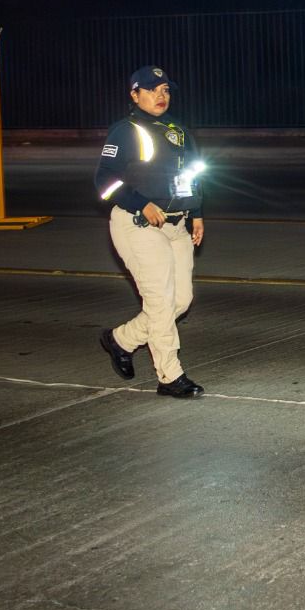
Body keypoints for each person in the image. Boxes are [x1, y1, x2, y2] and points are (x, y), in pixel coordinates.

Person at [93, 65, 207, 398]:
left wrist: (197, 212)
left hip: (177, 225)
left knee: (181, 301)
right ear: (134, 94)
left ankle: (121, 340)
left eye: (166, 90)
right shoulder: (124, 131)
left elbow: (191, 174)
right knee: (159, 304)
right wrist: (140, 203)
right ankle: (170, 376)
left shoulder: (178, 130)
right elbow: (104, 181)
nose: (161, 95)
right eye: (153, 89)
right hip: (138, 225)